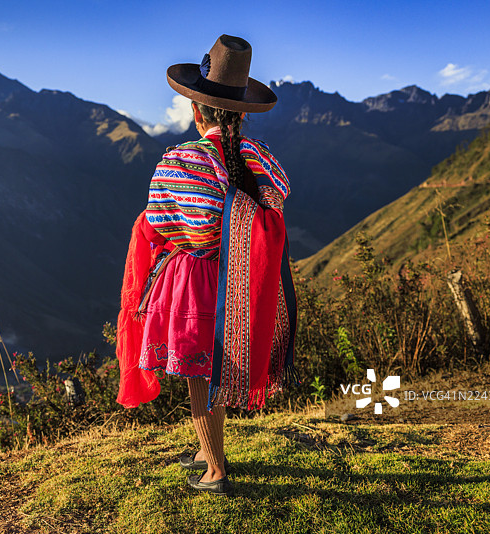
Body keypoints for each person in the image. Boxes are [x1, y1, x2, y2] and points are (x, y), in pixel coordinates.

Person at [115, 34, 299, 497]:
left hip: (196, 280)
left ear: (197, 112)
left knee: (200, 374)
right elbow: (272, 205)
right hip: (243, 278)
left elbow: (161, 219)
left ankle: (215, 470)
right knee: (214, 367)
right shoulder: (259, 160)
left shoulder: (182, 161)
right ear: (242, 114)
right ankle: (205, 448)